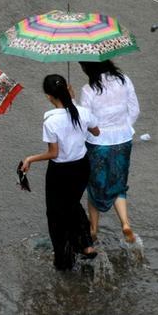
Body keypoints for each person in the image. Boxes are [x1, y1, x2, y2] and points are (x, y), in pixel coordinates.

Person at [21, 74, 100, 271]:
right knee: (72, 204)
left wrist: (30, 158)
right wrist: (74, 103)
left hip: (60, 172)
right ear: (67, 89)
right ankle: (86, 244)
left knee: (56, 215)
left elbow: (53, 153)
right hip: (82, 168)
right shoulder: (82, 112)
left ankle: (64, 260)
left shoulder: (50, 120)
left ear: (48, 96)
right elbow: (96, 132)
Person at [79, 60, 140, 243]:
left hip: (98, 144)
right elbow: (135, 110)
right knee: (118, 183)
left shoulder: (88, 90)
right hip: (123, 141)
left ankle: (93, 229)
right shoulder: (124, 80)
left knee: (95, 185)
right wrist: (123, 127)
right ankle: (125, 223)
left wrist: (72, 100)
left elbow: (86, 121)